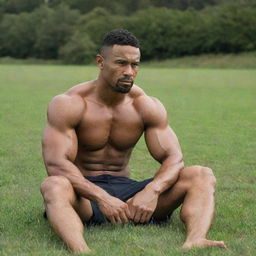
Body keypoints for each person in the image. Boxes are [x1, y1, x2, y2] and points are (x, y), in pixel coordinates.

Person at [40, 29, 226, 254]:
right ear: (101, 62)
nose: (129, 71)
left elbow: (174, 158)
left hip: (131, 194)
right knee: (53, 185)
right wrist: (102, 197)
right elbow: (57, 165)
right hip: (85, 197)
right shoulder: (69, 104)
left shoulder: (145, 105)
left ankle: (196, 239)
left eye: (134, 65)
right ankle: (82, 250)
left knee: (201, 174)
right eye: (120, 63)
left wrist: (152, 191)